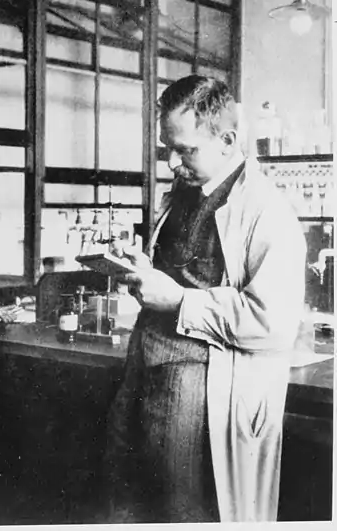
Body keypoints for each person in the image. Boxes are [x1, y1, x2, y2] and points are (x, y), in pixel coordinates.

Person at [105, 76, 306, 523]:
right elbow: (183, 275)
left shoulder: (266, 211)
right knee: (126, 503)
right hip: (145, 363)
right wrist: (143, 270)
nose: (173, 162)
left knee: (178, 511)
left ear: (227, 139)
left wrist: (177, 301)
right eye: (167, 149)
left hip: (194, 380)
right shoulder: (184, 194)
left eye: (186, 150)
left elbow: (270, 321)